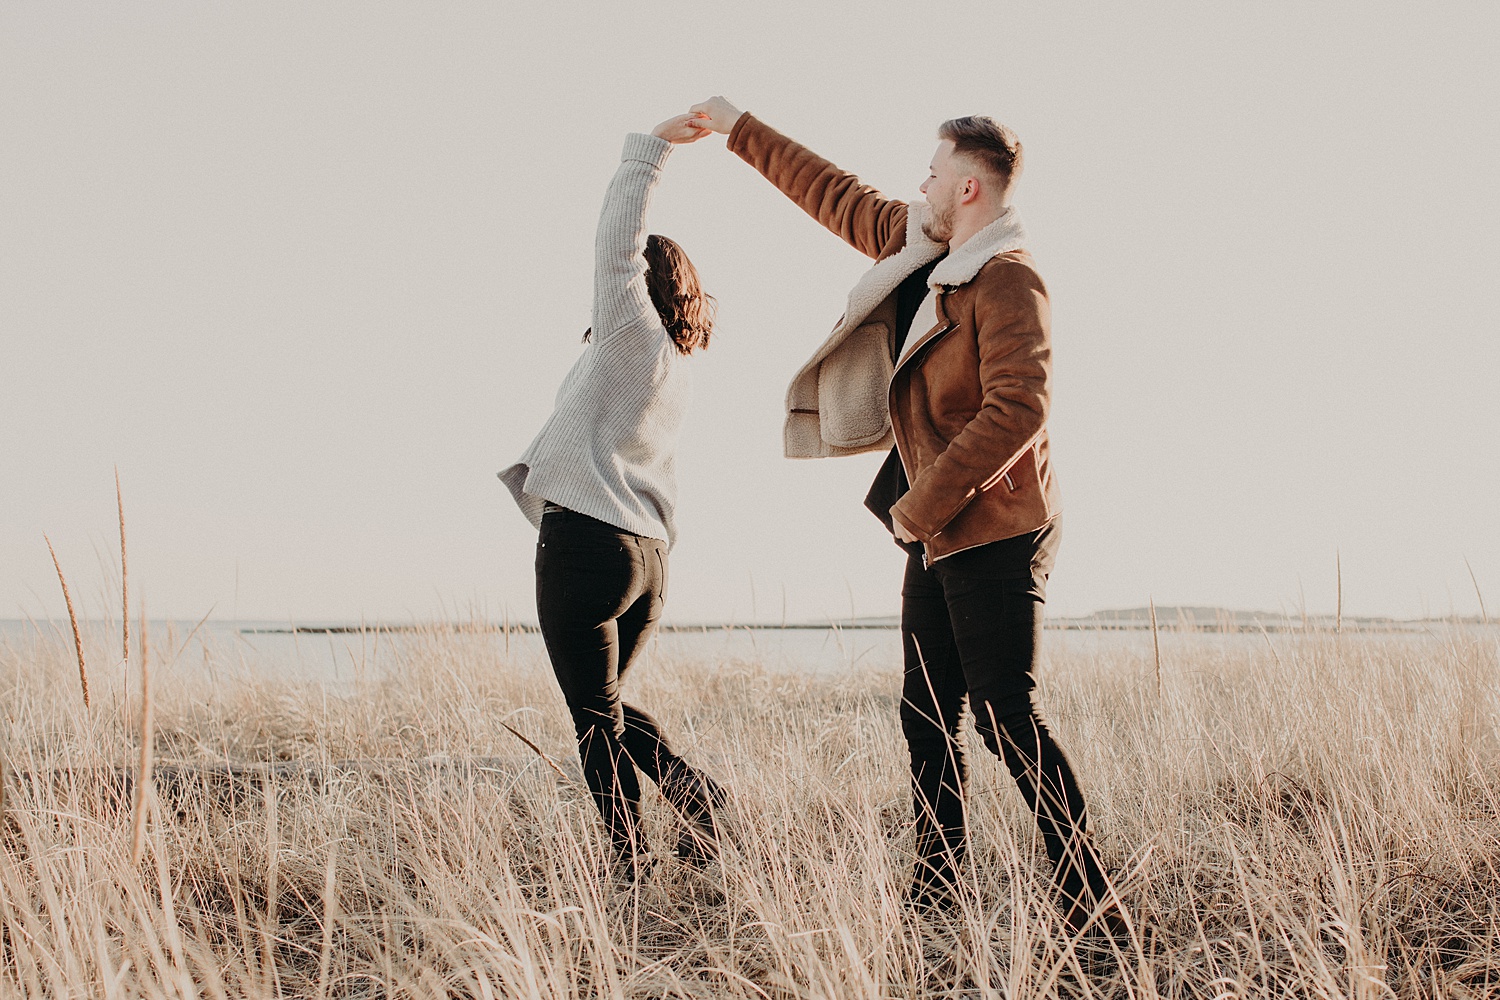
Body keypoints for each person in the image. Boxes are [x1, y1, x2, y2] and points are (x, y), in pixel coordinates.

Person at [686, 97, 1120, 930]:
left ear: (968, 188)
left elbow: (1019, 407)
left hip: (997, 525)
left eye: (931, 172)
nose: (917, 183)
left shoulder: (1009, 278)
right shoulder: (926, 249)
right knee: (926, 717)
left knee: (1004, 717)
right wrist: (738, 127)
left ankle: (1091, 901)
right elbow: (832, 193)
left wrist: (921, 506)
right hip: (936, 533)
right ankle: (936, 888)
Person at [499, 115, 727, 881]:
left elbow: (616, 237)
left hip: (588, 545)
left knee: (593, 719)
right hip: (649, 558)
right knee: (611, 709)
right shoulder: (674, 367)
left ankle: (628, 866)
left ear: (642, 288)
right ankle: (703, 804)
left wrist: (648, 149)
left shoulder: (631, 332)